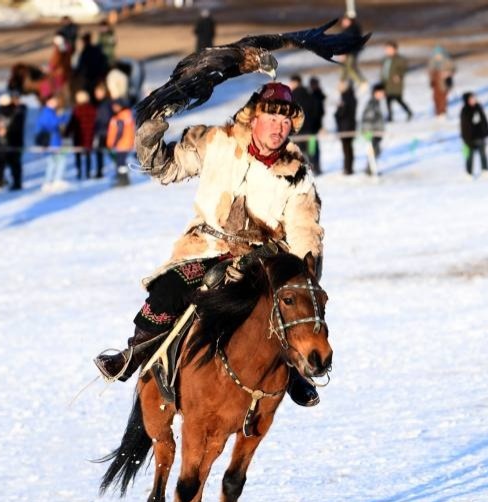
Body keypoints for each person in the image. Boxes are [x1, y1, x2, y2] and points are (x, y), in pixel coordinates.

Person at [95, 82, 324, 407]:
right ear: (253, 117)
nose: (278, 128)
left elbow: (305, 230)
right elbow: (166, 167)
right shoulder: (219, 141)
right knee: (169, 288)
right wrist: (149, 133)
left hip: (262, 260)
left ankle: (292, 372)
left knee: (278, 311)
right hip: (206, 246)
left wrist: (302, 273)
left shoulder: (296, 173)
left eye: (285, 122)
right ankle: (135, 353)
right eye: (271, 118)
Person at [35, 96, 69, 191]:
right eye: (53, 101)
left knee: (56, 161)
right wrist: (62, 117)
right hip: (51, 142)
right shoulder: (47, 112)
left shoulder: (51, 112)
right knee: (55, 161)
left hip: (55, 141)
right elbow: (51, 125)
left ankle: (53, 180)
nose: (55, 103)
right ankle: (52, 180)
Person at [0, 93, 26, 191]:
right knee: (2, 164)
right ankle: (0, 181)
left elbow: (17, 127)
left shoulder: (17, 112)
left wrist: (6, 131)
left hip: (13, 142)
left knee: (14, 164)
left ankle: (16, 182)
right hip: (2, 143)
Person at [290, 75, 321, 174]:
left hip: (298, 131)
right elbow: (316, 111)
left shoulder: (292, 97)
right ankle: (315, 168)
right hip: (310, 130)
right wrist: (315, 125)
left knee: (299, 152)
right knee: (312, 151)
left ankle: (301, 171)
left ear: (296, 82)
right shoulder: (309, 94)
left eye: (291, 82)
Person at [66, 90, 98, 181]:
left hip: (78, 136)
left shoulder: (76, 110)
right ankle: (88, 172)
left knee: (78, 154)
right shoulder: (93, 109)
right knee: (88, 154)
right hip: (89, 135)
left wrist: (66, 133)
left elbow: (72, 123)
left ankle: (79, 172)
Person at [459, 92, 488, 180]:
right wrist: (466, 139)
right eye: (472, 98)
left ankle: (485, 170)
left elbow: (484, 121)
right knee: (470, 156)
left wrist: (486, 132)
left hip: (480, 136)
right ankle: (469, 173)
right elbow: (464, 127)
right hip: (470, 138)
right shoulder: (465, 111)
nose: (474, 100)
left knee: (483, 154)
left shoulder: (478, 108)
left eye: (474, 98)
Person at [380, 41, 412, 122]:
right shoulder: (385, 59)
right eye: (386, 49)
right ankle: (390, 116)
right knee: (388, 100)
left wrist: (399, 76)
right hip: (386, 84)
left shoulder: (400, 59)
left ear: (395, 49)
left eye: (389, 49)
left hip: (396, 84)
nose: (387, 51)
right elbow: (383, 71)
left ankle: (409, 112)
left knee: (398, 99)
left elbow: (404, 69)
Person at [106, 98, 134, 187]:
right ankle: (124, 178)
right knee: (121, 162)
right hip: (126, 143)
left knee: (120, 163)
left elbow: (119, 132)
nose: (114, 108)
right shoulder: (127, 115)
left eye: (115, 106)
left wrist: (114, 143)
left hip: (122, 144)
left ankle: (123, 180)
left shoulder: (120, 117)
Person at [361, 83, 386, 175]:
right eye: (381, 92)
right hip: (372, 133)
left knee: (376, 151)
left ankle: (370, 168)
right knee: (374, 151)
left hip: (376, 132)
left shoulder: (377, 103)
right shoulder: (372, 103)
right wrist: (368, 133)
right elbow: (367, 119)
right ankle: (370, 169)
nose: (383, 94)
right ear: (376, 92)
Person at [334, 80, 357, 175]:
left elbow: (342, 113)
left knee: (347, 149)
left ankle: (348, 168)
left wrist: (338, 110)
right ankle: (348, 168)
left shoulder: (346, 98)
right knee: (349, 148)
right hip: (349, 126)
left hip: (345, 127)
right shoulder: (351, 97)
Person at [76, 32, 109, 96]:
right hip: (98, 76)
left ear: (85, 41)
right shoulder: (96, 49)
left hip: (89, 77)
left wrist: (76, 73)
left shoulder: (85, 52)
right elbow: (103, 61)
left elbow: (81, 65)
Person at [338, 14, 366, 89]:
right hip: (351, 51)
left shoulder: (351, 30)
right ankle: (342, 82)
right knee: (345, 66)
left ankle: (362, 82)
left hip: (351, 52)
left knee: (350, 67)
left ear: (349, 21)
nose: (343, 23)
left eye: (345, 21)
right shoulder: (350, 29)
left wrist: (343, 52)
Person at [428, 45, 455, 119]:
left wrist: (447, 73)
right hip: (435, 83)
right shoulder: (432, 62)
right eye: (436, 54)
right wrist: (431, 79)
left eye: (439, 54)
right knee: (435, 98)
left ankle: (443, 113)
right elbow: (430, 72)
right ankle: (437, 112)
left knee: (443, 98)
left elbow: (453, 69)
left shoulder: (447, 61)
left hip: (444, 82)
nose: (438, 56)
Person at [92, 84, 112, 179]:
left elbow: (105, 117)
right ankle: (99, 171)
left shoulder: (105, 103)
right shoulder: (99, 103)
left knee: (109, 151)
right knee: (99, 152)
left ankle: (121, 167)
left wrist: (99, 126)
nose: (96, 94)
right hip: (101, 131)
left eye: (98, 92)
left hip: (103, 131)